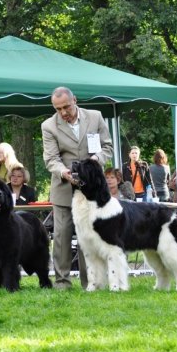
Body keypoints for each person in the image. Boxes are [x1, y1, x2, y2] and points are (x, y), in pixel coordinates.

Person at [42, 86, 113, 290]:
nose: (63, 112)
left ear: (75, 100)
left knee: (88, 236)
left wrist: (95, 161)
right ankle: (62, 282)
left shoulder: (95, 117)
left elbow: (107, 147)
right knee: (62, 236)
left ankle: (90, 281)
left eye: (66, 106)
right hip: (64, 188)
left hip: (92, 190)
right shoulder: (48, 126)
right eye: (58, 109)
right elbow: (51, 159)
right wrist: (65, 173)